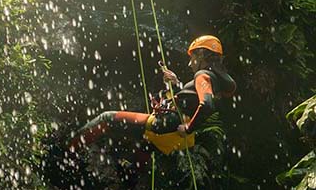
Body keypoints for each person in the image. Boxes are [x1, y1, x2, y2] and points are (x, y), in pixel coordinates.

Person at [68, 35, 236, 157]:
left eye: (192, 58)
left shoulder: (203, 75)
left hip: (166, 123)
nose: (189, 63)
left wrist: (188, 128)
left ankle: (67, 151)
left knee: (107, 118)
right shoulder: (217, 80)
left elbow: (206, 104)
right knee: (142, 146)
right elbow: (191, 102)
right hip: (172, 128)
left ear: (201, 55)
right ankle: (127, 183)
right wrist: (177, 83)